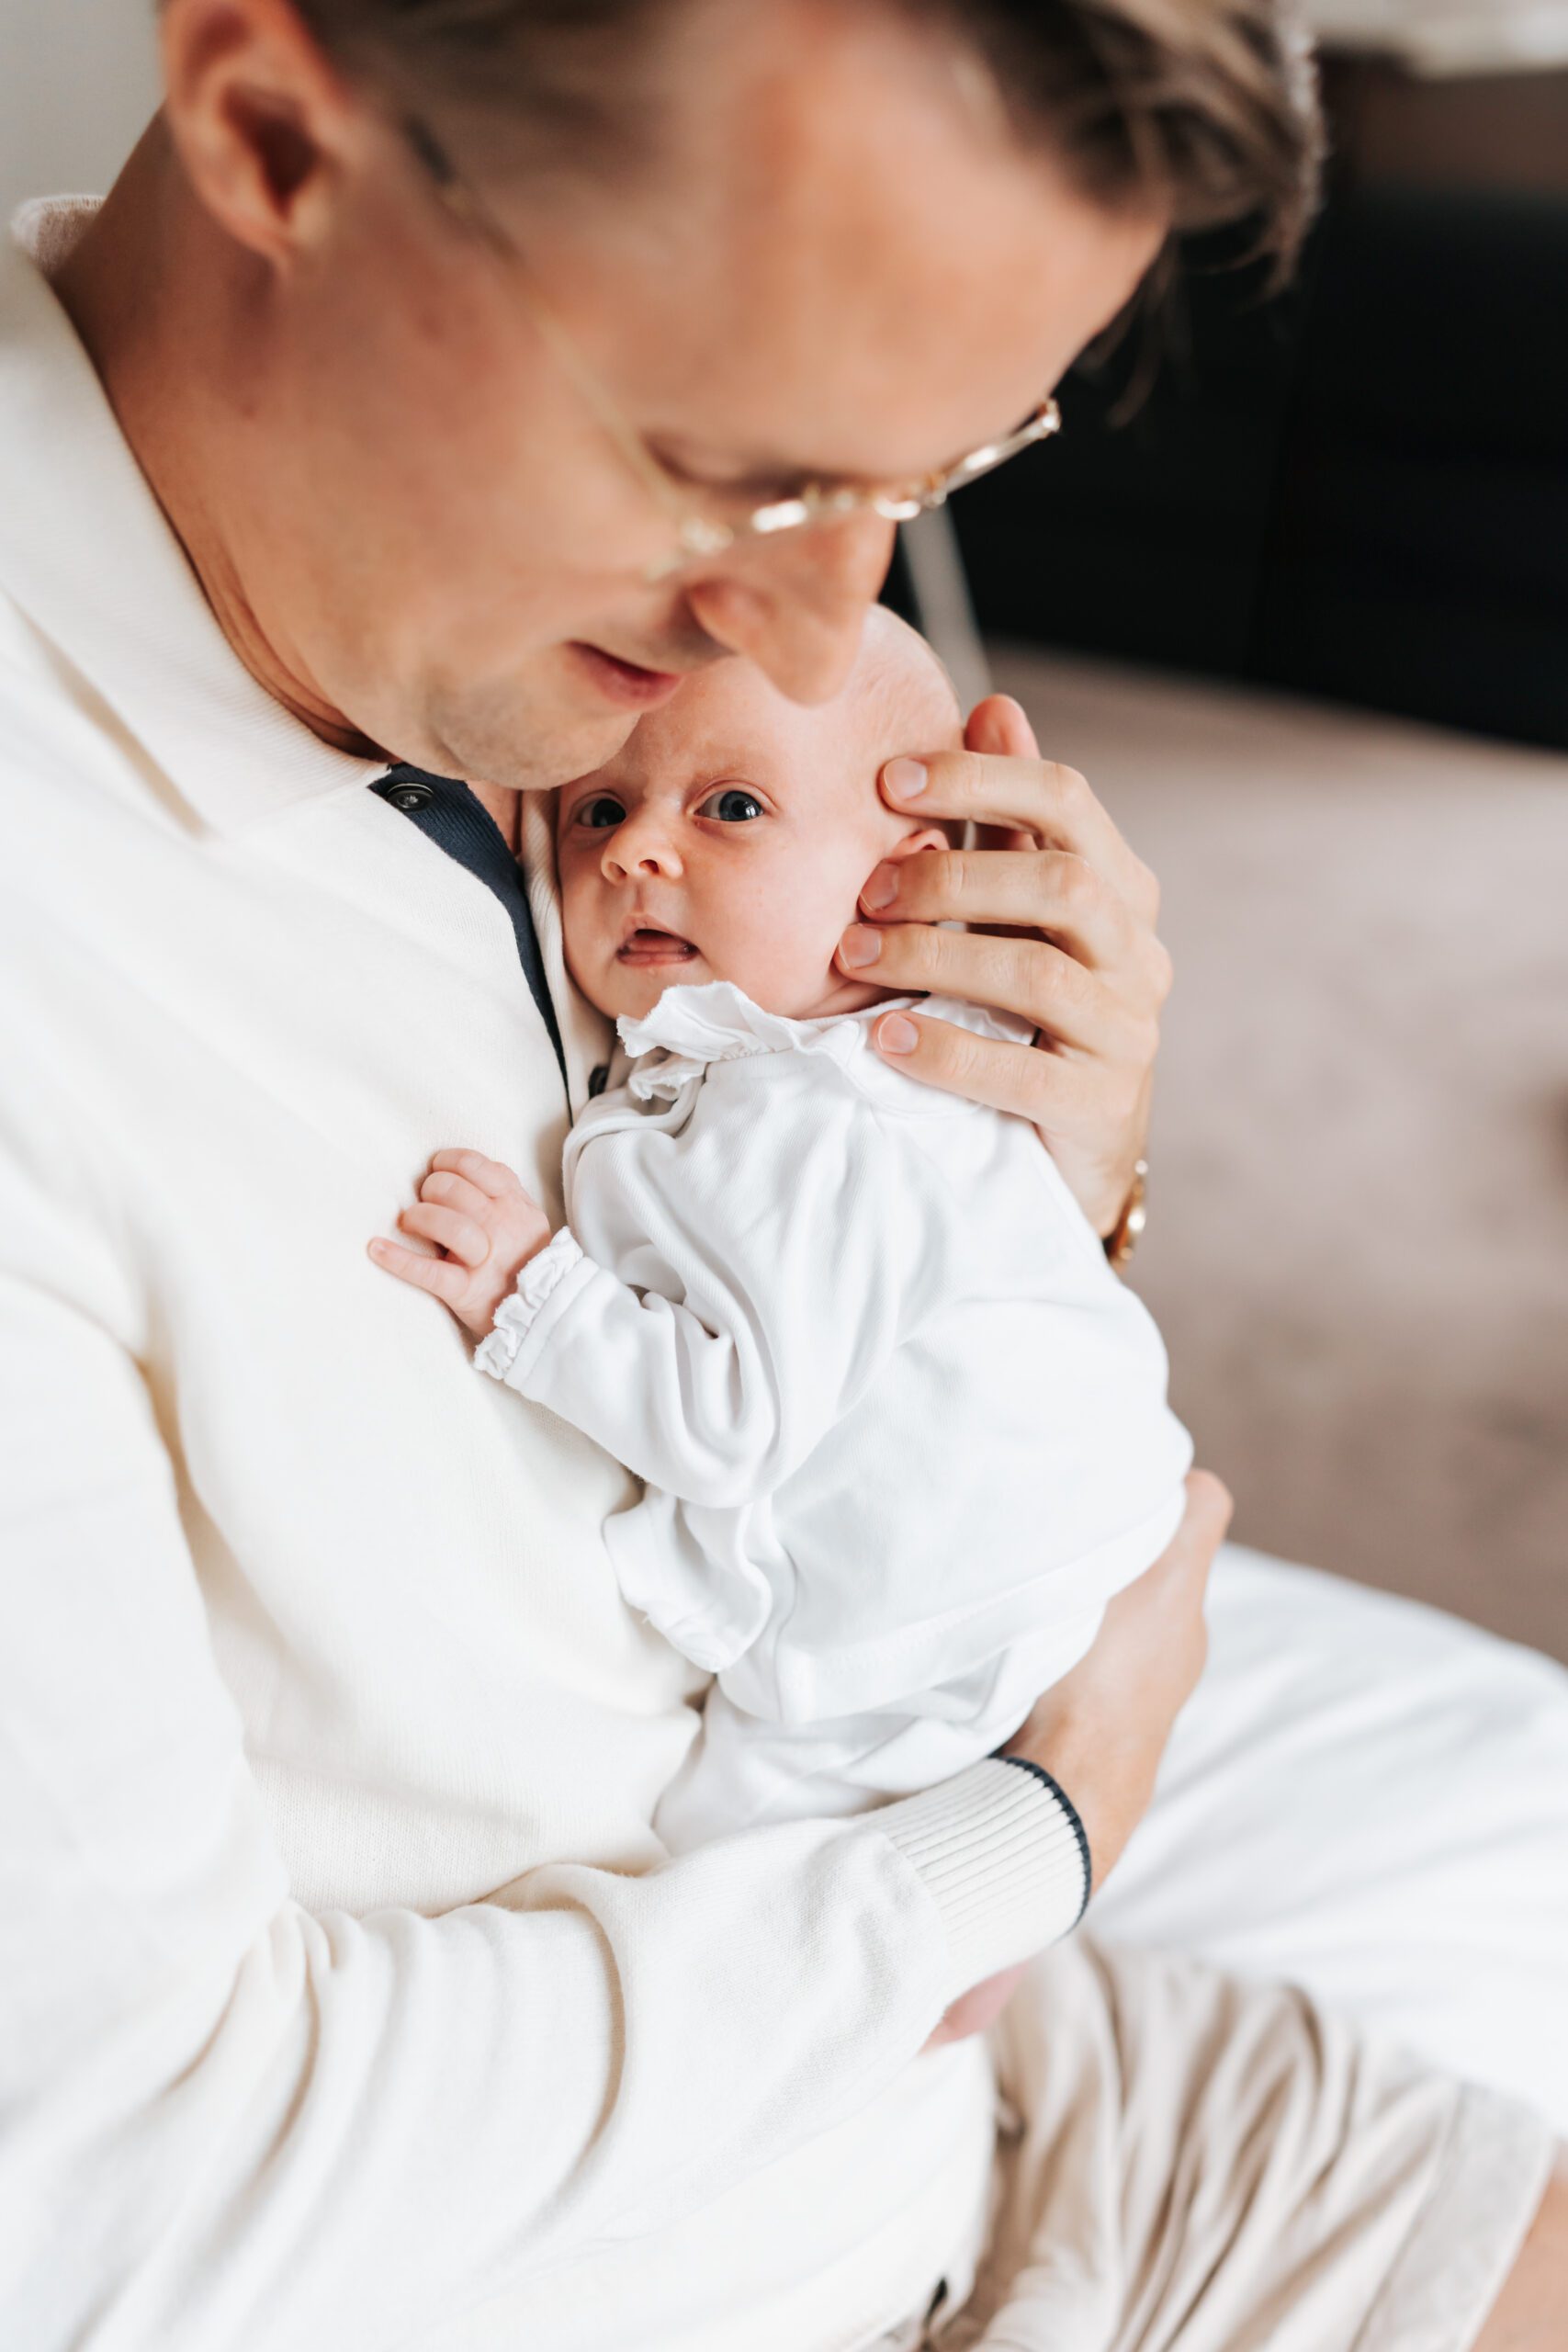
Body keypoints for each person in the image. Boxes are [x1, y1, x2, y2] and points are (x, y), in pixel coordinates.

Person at [3, 2, 1566, 2347]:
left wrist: (1009, 1151)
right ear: (268, 137)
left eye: (932, 467)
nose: (822, 634)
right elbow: (113, 2203)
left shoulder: (423, 623)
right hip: (719, 2190)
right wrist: (1011, 1844)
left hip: (968, 2060)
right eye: (732, 464)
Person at [368, 612, 1195, 1851]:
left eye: (734, 809)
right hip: (1061, 1536)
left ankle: (968, 1969)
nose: (636, 851)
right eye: (597, 810)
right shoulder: (813, 1057)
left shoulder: (814, 1119)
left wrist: (532, 1290)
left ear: (908, 869)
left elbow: (726, 1428)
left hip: (929, 1630)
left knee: (715, 1859)